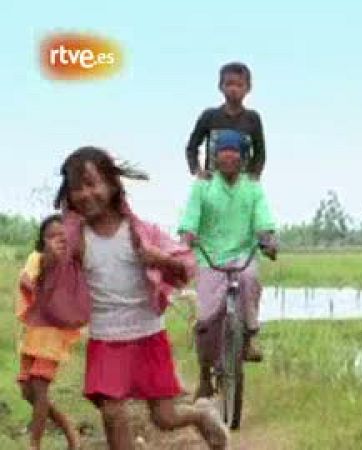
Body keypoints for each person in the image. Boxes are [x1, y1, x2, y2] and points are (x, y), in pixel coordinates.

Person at [44, 146, 229, 450]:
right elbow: (54, 281)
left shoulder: (140, 233)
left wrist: (159, 259)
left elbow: (185, 267)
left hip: (147, 336)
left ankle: (201, 415)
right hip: (105, 339)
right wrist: (51, 261)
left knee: (165, 417)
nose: (85, 194)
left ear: (112, 184)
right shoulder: (75, 238)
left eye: (91, 184)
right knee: (112, 413)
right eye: (77, 188)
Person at [178, 129, 278, 400]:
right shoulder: (203, 186)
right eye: (223, 151)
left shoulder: (252, 187)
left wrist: (268, 240)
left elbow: (263, 221)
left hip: (243, 254)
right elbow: (190, 220)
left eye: (234, 152)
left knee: (249, 279)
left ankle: (249, 337)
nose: (229, 157)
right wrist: (186, 239)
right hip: (209, 257)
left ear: (243, 157)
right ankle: (204, 377)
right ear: (215, 157)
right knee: (206, 320)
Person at [16, 214, 81, 450]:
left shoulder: (71, 267)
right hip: (34, 334)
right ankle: (68, 427)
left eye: (62, 236)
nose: (57, 240)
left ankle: (34, 444)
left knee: (39, 385)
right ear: (43, 240)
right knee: (27, 391)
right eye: (51, 236)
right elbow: (25, 280)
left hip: (54, 334)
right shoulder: (37, 258)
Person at [186, 61, 266, 180]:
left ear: (248, 88)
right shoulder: (209, 116)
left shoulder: (252, 118)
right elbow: (192, 147)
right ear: (220, 86)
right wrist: (198, 171)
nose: (234, 89)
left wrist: (255, 175)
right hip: (213, 182)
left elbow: (260, 152)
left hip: (242, 184)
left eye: (239, 85)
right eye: (229, 84)